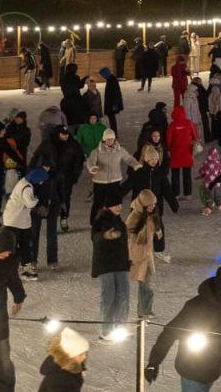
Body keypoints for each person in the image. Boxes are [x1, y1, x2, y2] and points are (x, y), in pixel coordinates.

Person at [144, 266, 221, 390]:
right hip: (191, 370)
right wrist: (154, 362)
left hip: (212, 370)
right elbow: (170, 332)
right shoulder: (195, 306)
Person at [91, 188, 130, 340]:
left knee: (123, 295)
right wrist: (105, 236)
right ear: (108, 206)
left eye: (120, 205)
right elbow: (95, 238)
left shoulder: (119, 222)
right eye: (115, 205)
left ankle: (120, 327)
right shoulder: (100, 221)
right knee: (109, 297)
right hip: (106, 265)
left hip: (120, 264)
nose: (119, 208)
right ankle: (105, 330)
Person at [85, 129, 139, 224]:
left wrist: (136, 165)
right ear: (104, 140)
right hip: (100, 181)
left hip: (114, 180)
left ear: (114, 139)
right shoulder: (97, 151)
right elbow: (91, 161)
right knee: (98, 202)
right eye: (108, 139)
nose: (110, 141)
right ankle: (94, 221)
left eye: (112, 139)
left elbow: (129, 159)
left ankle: (114, 220)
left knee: (114, 202)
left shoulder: (120, 150)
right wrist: (92, 168)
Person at [0, 228, 26, 390]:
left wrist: (19, 298)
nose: (7, 254)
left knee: (4, 360)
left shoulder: (9, 261)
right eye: (4, 251)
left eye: (9, 251)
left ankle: (7, 388)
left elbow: (13, 279)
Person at [127, 189, 162, 320]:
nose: (152, 206)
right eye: (149, 204)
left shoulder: (152, 215)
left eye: (153, 204)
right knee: (145, 285)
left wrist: (157, 232)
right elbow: (126, 233)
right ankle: (144, 311)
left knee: (145, 285)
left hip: (147, 255)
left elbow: (154, 229)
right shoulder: (134, 216)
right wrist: (138, 237)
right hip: (139, 256)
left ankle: (145, 310)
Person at [36, 326, 89, 392]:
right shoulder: (58, 378)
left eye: (85, 353)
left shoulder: (71, 367)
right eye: (80, 354)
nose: (84, 357)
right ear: (69, 355)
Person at [166, 106, 198, 200]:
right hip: (187, 152)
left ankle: (175, 193)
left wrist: (170, 148)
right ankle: (188, 194)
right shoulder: (189, 123)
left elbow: (168, 140)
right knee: (187, 173)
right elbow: (195, 136)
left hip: (175, 152)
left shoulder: (172, 125)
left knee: (175, 174)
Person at [198, 147, 221, 217]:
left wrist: (203, 176)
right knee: (217, 193)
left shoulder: (205, 163)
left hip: (208, 183)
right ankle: (220, 205)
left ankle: (209, 208)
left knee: (209, 195)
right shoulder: (218, 163)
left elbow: (201, 171)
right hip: (216, 183)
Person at [100, 67, 124, 133]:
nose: (102, 77)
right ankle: (114, 131)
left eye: (102, 75)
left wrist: (115, 105)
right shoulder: (110, 79)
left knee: (111, 117)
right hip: (111, 103)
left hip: (111, 103)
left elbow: (115, 93)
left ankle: (114, 131)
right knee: (111, 117)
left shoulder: (112, 80)